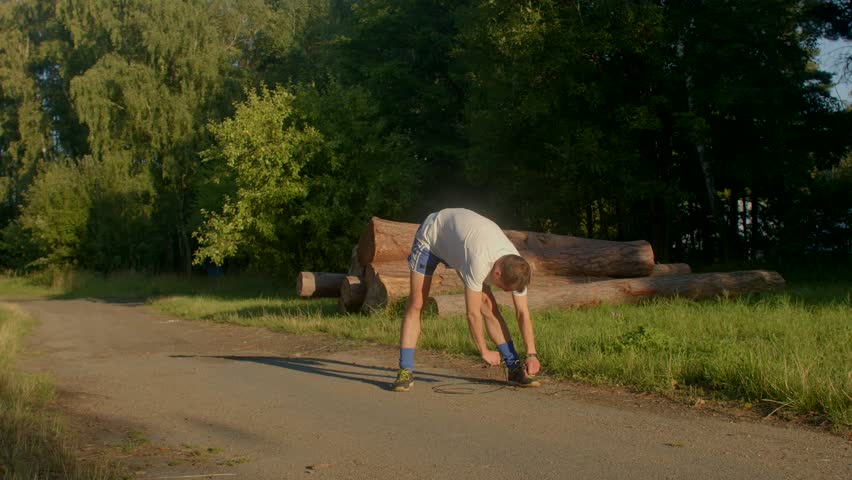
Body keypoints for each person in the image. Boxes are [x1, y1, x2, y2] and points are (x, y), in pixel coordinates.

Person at [392, 208, 541, 392]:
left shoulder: (518, 268)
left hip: (460, 244)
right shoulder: (479, 261)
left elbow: (522, 313)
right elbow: (472, 314)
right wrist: (483, 350)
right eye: (503, 287)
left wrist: (532, 353)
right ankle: (405, 371)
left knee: (488, 305)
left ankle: (514, 369)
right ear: (497, 272)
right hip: (431, 237)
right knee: (417, 303)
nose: (503, 291)